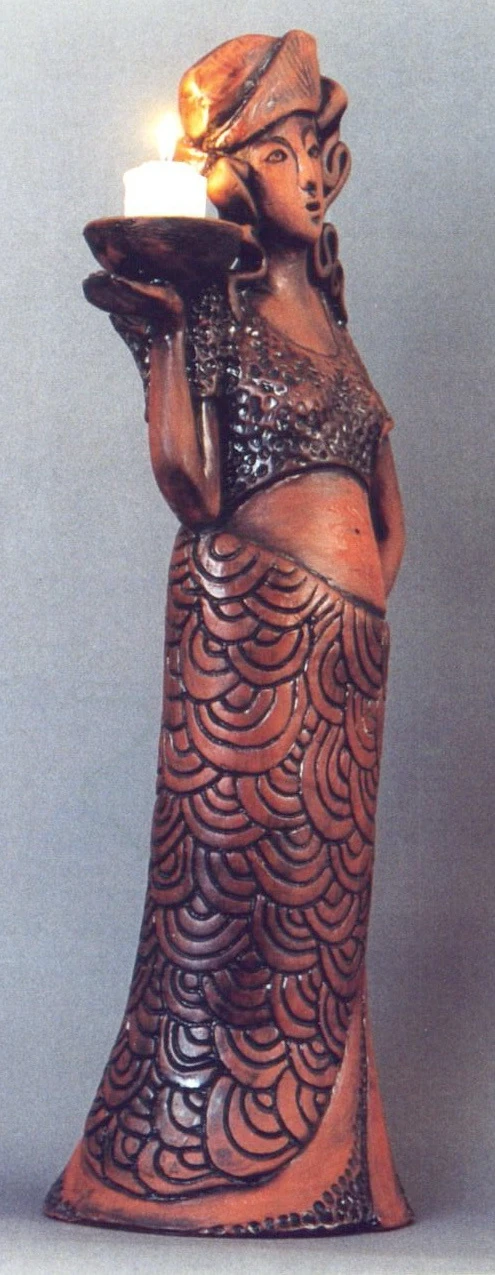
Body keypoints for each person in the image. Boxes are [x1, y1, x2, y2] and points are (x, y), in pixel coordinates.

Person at [45, 30, 411, 1236]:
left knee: (324, 900)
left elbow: (387, 497)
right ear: (234, 176)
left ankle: (335, 1164)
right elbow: (195, 488)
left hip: (344, 659)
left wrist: (359, 601)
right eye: (282, 153)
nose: (310, 177)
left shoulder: (336, 330)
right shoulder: (219, 314)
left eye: (318, 153)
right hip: (248, 641)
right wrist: (160, 344)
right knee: (235, 887)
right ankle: (188, 1160)